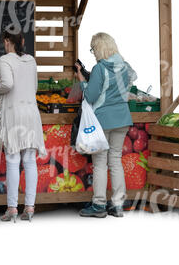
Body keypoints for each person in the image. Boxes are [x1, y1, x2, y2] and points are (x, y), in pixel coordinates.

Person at [76, 32, 137, 218]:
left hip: (103, 120)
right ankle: (118, 205)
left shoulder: (99, 69)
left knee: (100, 163)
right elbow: (129, 84)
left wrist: (81, 81)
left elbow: (91, 96)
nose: (93, 52)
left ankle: (99, 205)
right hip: (123, 119)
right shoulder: (125, 66)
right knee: (116, 160)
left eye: (93, 48)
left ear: (100, 48)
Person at [0, 28, 45, 222]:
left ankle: (12, 208)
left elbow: (7, 84)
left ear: (7, 41)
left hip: (13, 114)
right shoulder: (31, 60)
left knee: (13, 161)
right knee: (30, 161)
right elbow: (35, 87)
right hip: (31, 113)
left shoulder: (5, 60)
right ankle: (29, 208)